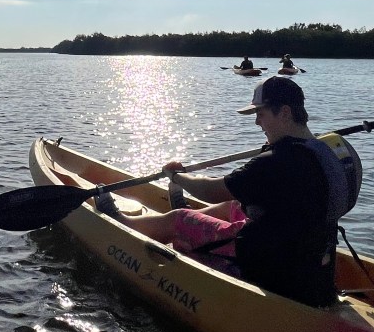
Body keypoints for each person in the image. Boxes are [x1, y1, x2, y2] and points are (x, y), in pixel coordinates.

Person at [95, 76, 354, 307]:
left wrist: (177, 176)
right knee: (233, 205)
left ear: (284, 113)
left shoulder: (274, 163)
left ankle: (122, 224)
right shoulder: (329, 151)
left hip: (268, 269)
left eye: (261, 114)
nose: (256, 123)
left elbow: (211, 190)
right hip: (314, 263)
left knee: (180, 219)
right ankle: (179, 215)